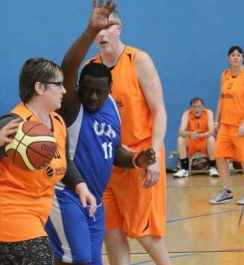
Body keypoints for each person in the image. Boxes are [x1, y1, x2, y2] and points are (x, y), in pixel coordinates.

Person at [44, 2, 155, 264]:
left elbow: (113, 151)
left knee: (88, 260)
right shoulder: (72, 106)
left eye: (100, 92)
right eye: (88, 90)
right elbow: (68, 67)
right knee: (77, 258)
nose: (93, 97)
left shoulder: (113, 110)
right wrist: (90, 30)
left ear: (109, 90)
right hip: (66, 193)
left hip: (95, 199)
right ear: (80, 87)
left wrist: (136, 160)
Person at [0, 57, 96, 264]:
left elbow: (63, 162)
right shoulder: (14, 122)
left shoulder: (57, 121)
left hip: (33, 211)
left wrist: (80, 185)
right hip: (7, 208)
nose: (65, 91)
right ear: (40, 87)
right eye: (59, 85)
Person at [87, 6, 171, 265]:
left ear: (119, 29)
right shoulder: (91, 68)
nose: (102, 34)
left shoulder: (139, 60)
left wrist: (154, 155)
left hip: (140, 158)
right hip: (106, 162)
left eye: (108, 27)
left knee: (144, 234)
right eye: (97, 29)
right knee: (111, 232)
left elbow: (159, 112)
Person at [209, 46, 244, 205]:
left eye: (239, 55)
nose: (236, 57)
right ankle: (226, 191)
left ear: (242, 58)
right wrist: (216, 121)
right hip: (226, 125)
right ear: (228, 58)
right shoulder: (224, 74)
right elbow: (221, 99)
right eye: (233, 55)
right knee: (219, 156)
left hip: (242, 125)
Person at [174, 97, 219, 178]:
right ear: (191, 108)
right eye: (194, 107)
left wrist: (201, 135)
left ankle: (213, 167)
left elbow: (212, 131)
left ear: (203, 107)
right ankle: (184, 169)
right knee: (180, 139)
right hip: (192, 141)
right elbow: (180, 131)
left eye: (199, 106)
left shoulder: (208, 113)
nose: (197, 109)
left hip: (204, 141)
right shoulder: (186, 114)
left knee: (211, 138)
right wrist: (191, 133)